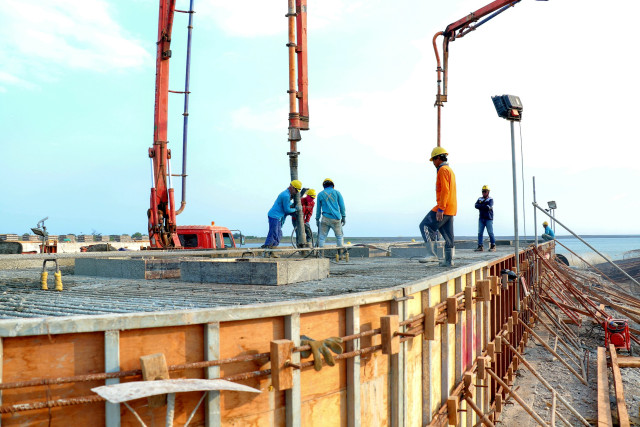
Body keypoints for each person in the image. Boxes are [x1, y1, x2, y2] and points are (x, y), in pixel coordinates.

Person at [418, 147, 457, 266]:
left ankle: (432, 255)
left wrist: (441, 209)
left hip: (444, 207)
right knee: (448, 236)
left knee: (425, 225)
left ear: (438, 158)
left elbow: (445, 190)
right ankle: (449, 261)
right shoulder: (449, 170)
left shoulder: (442, 170)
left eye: (434, 160)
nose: (433, 163)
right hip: (451, 207)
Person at [263, 180, 302, 254]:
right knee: (274, 234)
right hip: (274, 216)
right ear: (292, 187)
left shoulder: (287, 195)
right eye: (296, 190)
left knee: (278, 234)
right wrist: (296, 209)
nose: (296, 192)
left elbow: (289, 205)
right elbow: (287, 210)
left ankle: (272, 252)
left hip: (278, 217)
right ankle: (267, 252)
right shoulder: (286, 195)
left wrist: (294, 207)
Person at [316, 178, 346, 248]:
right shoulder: (337, 193)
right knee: (339, 236)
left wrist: (317, 219)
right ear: (333, 185)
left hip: (325, 218)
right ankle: (340, 254)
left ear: (324, 186)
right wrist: (343, 217)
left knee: (322, 237)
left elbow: (318, 208)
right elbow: (342, 206)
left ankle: (321, 255)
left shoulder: (320, 194)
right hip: (336, 218)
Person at [475, 185, 496, 252]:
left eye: (485, 191)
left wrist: (481, 206)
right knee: (480, 233)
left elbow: (488, 206)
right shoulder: (479, 199)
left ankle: (493, 245)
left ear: (488, 192)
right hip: (481, 218)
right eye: (483, 191)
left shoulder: (490, 200)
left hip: (488, 218)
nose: (483, 193)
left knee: (490, 232)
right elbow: (476, 205)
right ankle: (480, 246)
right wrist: (484, 205)